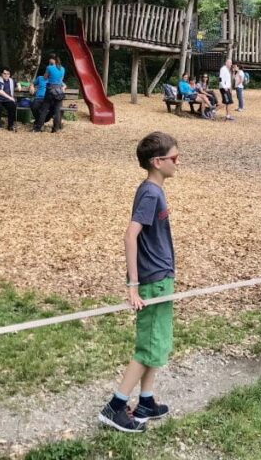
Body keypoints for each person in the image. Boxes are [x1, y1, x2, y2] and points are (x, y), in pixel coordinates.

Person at [98, 131, 179, 434]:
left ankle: (145, 401)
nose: (177, 162)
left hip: (162, 277)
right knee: (148, 348)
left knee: (158, 343)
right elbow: (130, 235)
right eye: (174, 157)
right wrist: (133, 285)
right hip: (152, 282)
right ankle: (114, 408)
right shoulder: (150, 193)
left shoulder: (153, 189)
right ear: (157, 162)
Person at [34, 53, 66, 133]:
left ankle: (39, 127)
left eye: (50, 61)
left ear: (54, 60)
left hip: (50, 90)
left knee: (44, 109)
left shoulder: (49, 67)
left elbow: (45, 77)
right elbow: (61, 80)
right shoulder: (62, 69)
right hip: (59, 91)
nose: (49, 62)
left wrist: (48, 73)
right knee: (57, 110)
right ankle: (55, 129)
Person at [0, 67, 17, 131]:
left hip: (7, 100)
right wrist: (10, 98)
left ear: (10, 74)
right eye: (4, 73)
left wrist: (19, 85)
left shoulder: (11, 80)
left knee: (12, 106)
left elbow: (17, 83)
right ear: (1, 74)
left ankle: (10, 125)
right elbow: (0, 91)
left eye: (8, 74)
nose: (6, 75)